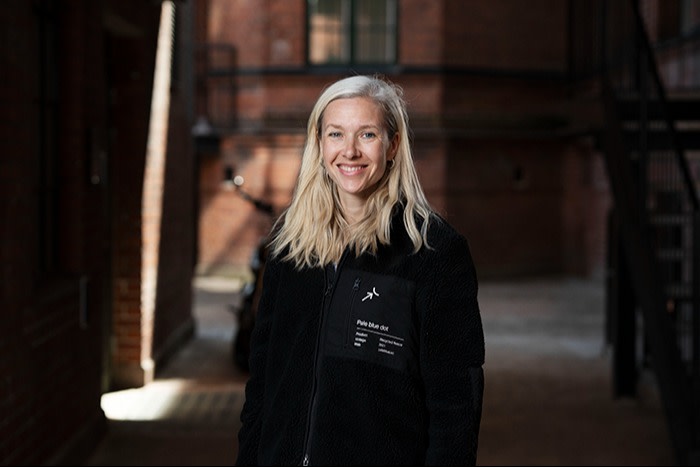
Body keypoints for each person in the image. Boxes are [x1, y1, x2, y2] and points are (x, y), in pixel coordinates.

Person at [235, 74, 485, 466]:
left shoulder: (434, 252)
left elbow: (455, 402)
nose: (349, 151)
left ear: (393, 145)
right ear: (319, 144)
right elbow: (263, 381)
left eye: (366, 135)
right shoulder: (290, 243)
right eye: (336, 134)